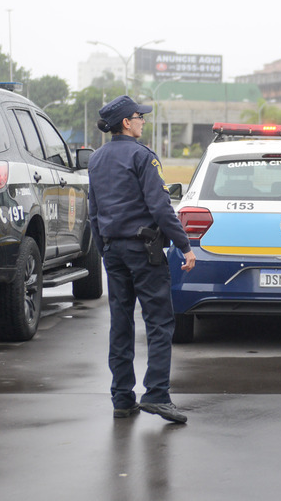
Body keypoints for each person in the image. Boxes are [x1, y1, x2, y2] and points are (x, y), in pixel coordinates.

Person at [88, 95, 196, 423]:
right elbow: (161, 207)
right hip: (143, 250)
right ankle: (157, 395)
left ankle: (122, 398)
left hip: (113, 250)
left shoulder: (96, 159)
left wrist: (103, 250)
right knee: (160, 322)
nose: (143, 121)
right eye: (139, 116)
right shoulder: (142, 156)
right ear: (126, 122)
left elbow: (94, 212)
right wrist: (185, 246)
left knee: (120, 324)